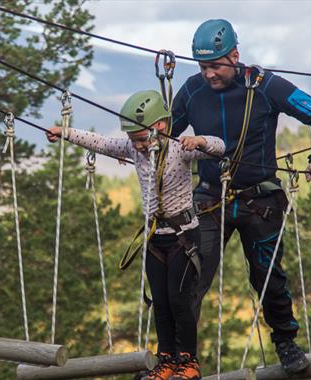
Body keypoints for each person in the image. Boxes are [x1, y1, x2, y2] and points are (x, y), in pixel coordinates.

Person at [171, 19, 311, 374]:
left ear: (235, 55)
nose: (209, 74)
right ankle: (179, 359)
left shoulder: (266, 86)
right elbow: (164, 134)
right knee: (191, 275)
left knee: (267, 275)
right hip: (209, 199)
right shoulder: (190, 90)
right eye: (203, 66)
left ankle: (285, 343)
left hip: (259, 201)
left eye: (215, 65)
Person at [47, 90, 225, 380]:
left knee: (181, 300)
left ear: (161, 128)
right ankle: (166, 359)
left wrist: (200, 140)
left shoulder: (180, 148)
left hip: (184, 236)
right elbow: (101, 142)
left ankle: (188, 361)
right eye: (134, 140)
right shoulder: (132, 150)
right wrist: (64, 132)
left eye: (143, 139)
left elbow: (219, 147)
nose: (139, 146)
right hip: (156, 238)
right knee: (161, 302)